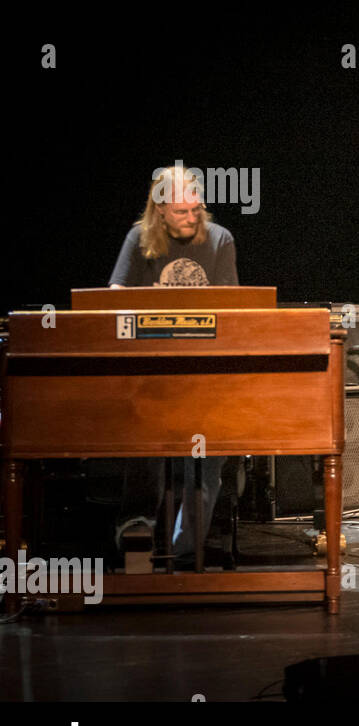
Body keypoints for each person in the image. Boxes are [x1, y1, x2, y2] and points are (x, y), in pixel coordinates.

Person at [110, 165, 238, 562]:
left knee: (206, 458)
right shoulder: (139, 239)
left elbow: (232, 309)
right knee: (145, 444)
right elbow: (114, 299)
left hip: (204, 371)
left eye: (195, 210)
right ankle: (137, 533)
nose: (190, 218)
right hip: (151, 370)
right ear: (160, 209)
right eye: (181, 211)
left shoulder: (219, 240)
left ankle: (186, 552)